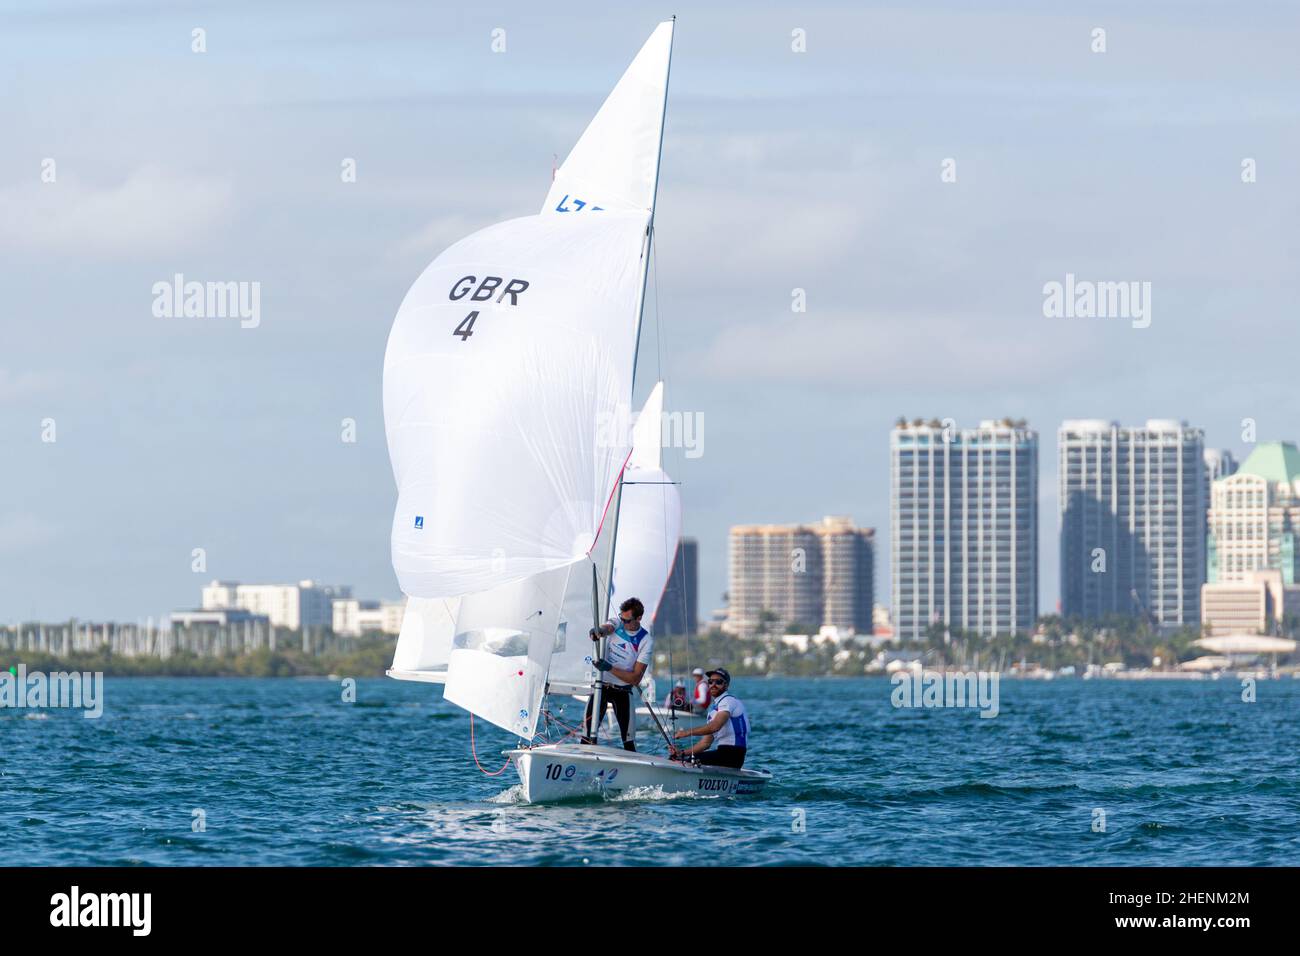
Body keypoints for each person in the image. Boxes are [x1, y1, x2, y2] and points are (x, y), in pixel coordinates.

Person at [582, 597, 653, 751]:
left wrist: (609, 668)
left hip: (623, 691)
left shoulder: (646, 640)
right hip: (601, 687)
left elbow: (635, 678)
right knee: (586, 737)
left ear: (639, 618)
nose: (624, 622)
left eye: (627, 621)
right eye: (622, 618)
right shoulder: (617, 622)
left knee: (629, 743)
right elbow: (607, 628)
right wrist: (598, 631)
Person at [669, 667, 748, 768]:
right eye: (710, 681)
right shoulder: (714, 710)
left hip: (733, 755)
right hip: (722, 754)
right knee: (678, 758)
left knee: (689, 761)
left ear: (726, 686)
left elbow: (714, 727)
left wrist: (685, 733)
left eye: (718, 682)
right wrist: (682, 753)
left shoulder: (728, 701)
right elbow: (705, 743)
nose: (713, 685)